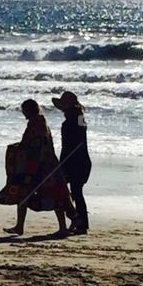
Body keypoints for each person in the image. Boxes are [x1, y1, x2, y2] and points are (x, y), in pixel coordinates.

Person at [0, 99, 70, 236]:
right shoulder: (41, 122)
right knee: (53, 195)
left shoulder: (35, 123)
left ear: (28, 111)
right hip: (47, 164)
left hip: (38, 166)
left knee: (29, 193)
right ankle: (61, 227)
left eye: (24, 111)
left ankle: (22, 227)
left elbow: (34, 146)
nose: (23, 114)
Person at [52, 91, 91, 234]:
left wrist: (61, 164)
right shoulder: (81, 119)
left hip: (73, 162)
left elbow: (67, 147)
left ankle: (75, 221)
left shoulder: (68, 124)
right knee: (76, 193)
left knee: (62, 192)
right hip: (83, 160)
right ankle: (81, 224)